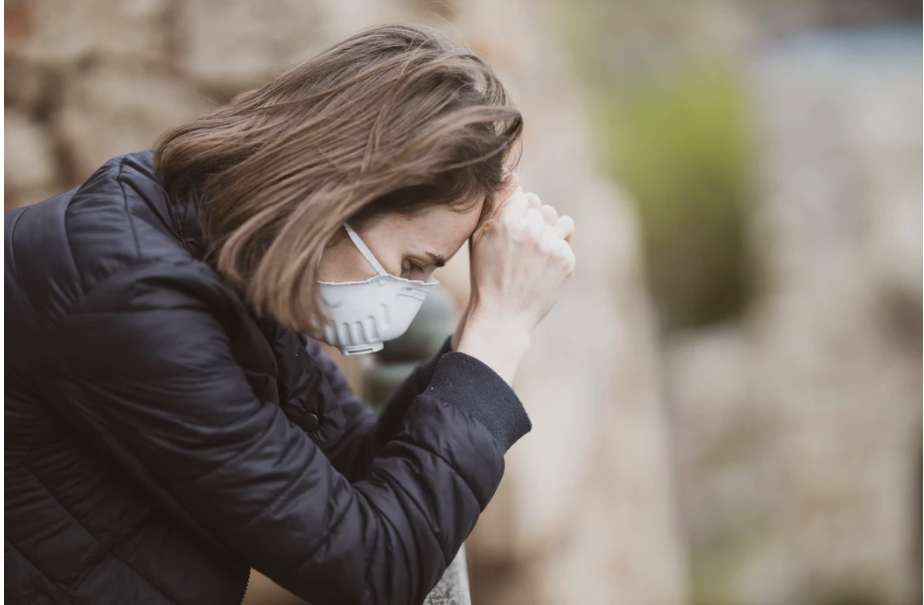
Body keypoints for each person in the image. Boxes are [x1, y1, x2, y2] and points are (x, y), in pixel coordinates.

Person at [4, 23, 575, 605]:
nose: (412, 295)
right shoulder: (134, 297)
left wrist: (473, 342)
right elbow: (369, 570)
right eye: (411, 265)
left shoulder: (214, 253)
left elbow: (355, 471)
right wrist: (500, 331)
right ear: (342, 194)